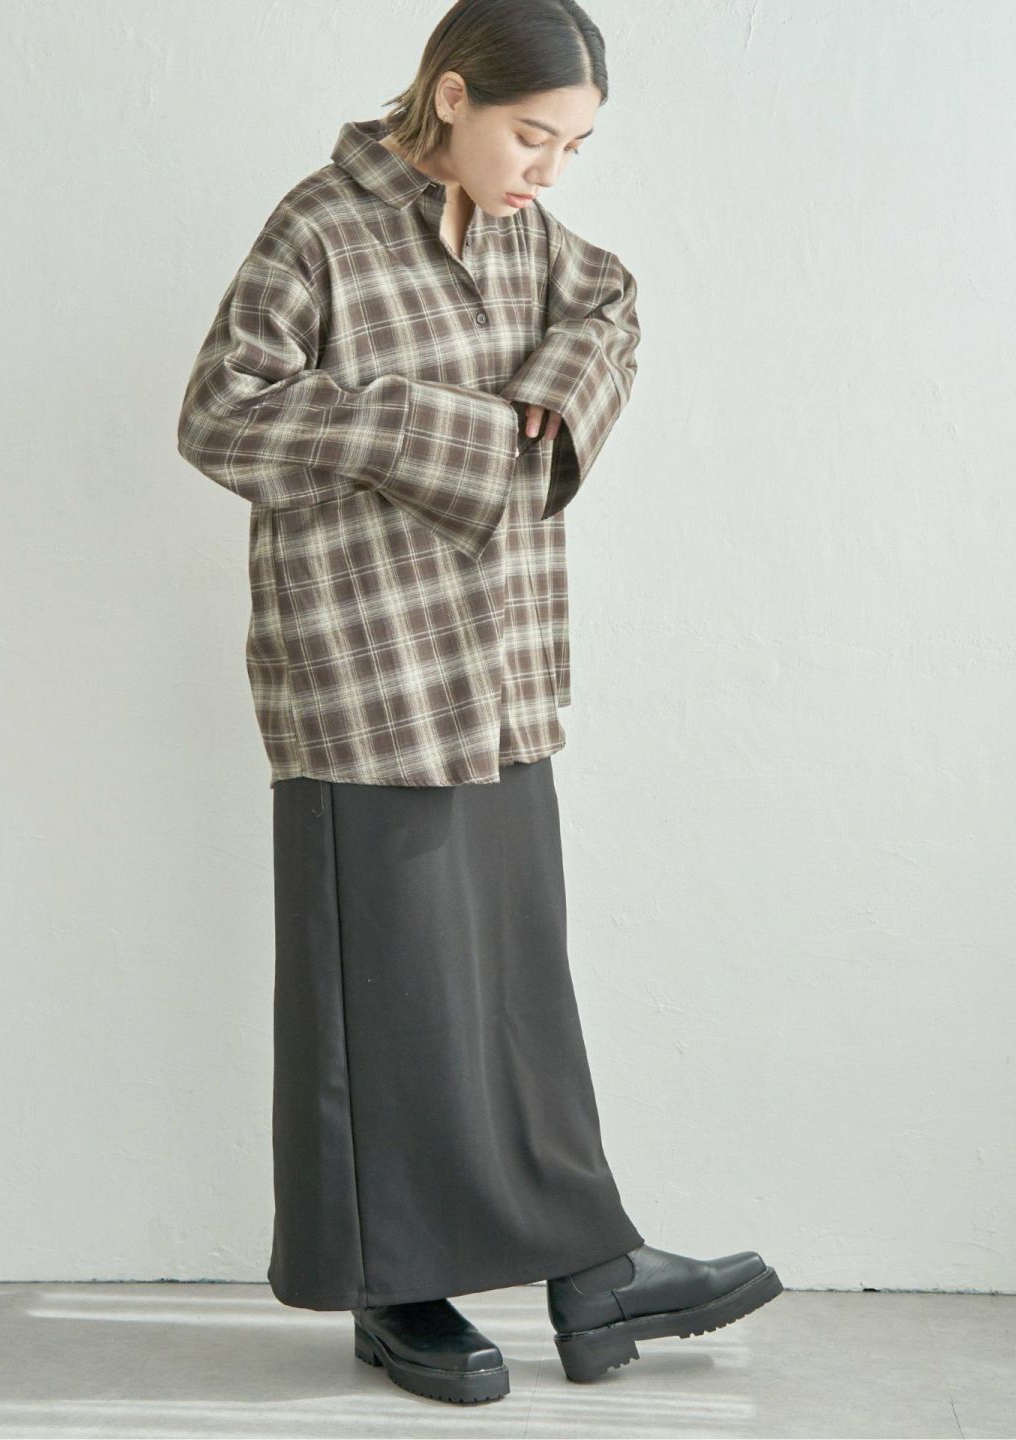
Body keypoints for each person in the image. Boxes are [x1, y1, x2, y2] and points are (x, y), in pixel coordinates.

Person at [176, 0, 781, 1407]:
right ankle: (396, 1291)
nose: (549, 170)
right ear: (450, 95)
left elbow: (611, 304)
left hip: (501, 667)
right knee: (386, 996)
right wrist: (422, 425)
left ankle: (589, 1267)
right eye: (532, 135)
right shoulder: (321, 226)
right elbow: (219, 413)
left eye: (574, 147)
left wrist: (555, 393)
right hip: (361, 667)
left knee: (515, 986)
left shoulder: (527, 235)